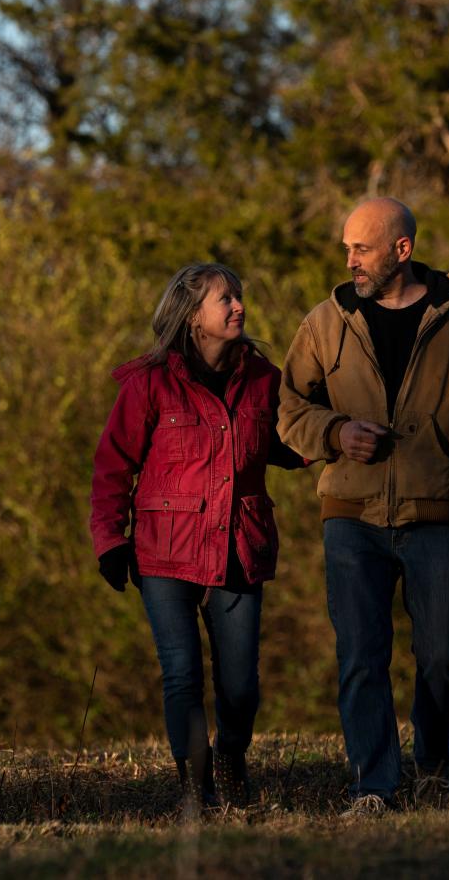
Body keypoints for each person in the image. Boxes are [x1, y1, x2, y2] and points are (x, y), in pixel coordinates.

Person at [277, 197, 449, 815]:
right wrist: (335, 433)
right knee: (360, 654)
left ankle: (434, 763)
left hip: (438, 513)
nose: (349, 261)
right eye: (346, 248)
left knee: (444, 652)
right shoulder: (324, 321)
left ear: (402, 250)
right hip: (350, 513)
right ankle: (373, 787)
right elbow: (287, 409)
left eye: (361, 249)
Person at [90, 262, 306, 817]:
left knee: (240, 687)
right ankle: (197, 787)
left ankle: (231, 757)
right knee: (181, 672)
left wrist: (332, 438)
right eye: (225, 299)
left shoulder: (264, 379)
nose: (239, 307)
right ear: (193, 317)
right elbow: (113, 466)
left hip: (240, 547)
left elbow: (287, 441)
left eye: (239, 297)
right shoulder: (149, 383)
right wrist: (110, 540)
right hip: (164, 552)